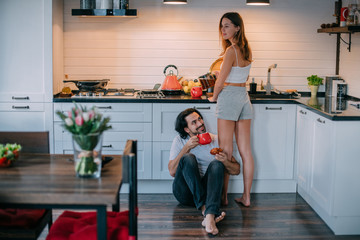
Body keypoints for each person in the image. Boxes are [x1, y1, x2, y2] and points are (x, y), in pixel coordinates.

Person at [168, 108, 240, 235]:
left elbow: (236, 170)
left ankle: (209, 216)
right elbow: (172, 171)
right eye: (194, 122)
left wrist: (225, 161)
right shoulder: (179, 141)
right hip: (184, 194)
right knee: (188, 158)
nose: (200, 123)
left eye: (200, 119)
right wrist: (186, 148)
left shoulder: (216, 140)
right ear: (187, 129)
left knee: (217, 164)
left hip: (208, 194)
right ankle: (206, 209)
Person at [208, 12, 255, 207]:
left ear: (237, 27)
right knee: (245, 151)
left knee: (225, 150)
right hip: (243, 97)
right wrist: (224, 76)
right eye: (222, 26)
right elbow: (237, 76)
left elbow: (219, 82)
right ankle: (246, 197)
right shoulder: (247, 50)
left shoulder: (231, 51)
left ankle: (223, 196)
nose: (223, 29)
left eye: (227, 25)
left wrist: (214, 96)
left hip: (229, 98)